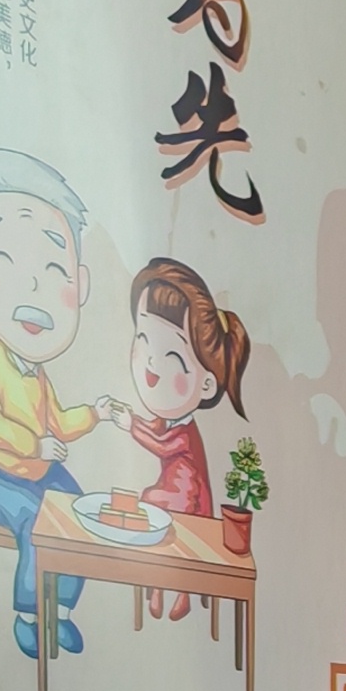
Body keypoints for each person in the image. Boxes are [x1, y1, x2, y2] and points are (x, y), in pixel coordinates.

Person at [0, 150, 102, 660]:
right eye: (4, 262)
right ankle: (29, 614)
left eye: (52, 268)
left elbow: (59, 423)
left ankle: (61, 609)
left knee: (79, 513)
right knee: (37, 521)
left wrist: (96, 414)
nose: (32, 288)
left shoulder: (38, 373)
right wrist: (36, 445)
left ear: (79, 283)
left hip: (36, 469)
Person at [100, 257, 248, 619]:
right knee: (150, 517)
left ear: (207, 383)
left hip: (187, 495)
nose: (152, 364)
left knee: (150, 506)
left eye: (172, 356)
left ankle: (180, 594)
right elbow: (155, 431)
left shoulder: (185, 432)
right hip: (173, 488)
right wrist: (131, 418)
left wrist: (128, 426)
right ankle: (155, 590)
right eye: (143, 340)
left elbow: (163, 446)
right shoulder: (167, 421)